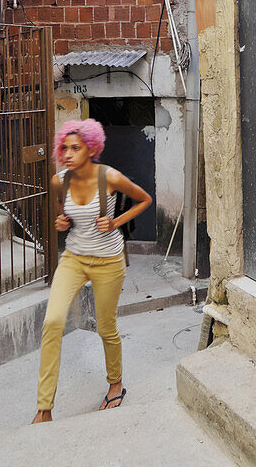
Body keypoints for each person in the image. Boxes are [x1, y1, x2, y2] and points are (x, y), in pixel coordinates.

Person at [32, 119, 152, 424]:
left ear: (91, 149)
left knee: (105, 327)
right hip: (74, 258)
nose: (67, 153)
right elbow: (63, 212)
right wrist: (62, 222)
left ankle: (116, 384)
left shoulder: (110, 177)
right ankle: (44, 408)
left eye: (76, 147)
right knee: (53, 321)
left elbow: (144, 200)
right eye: (64, 148)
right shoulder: (59, 181)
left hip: (108, 262)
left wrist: (115, 222)